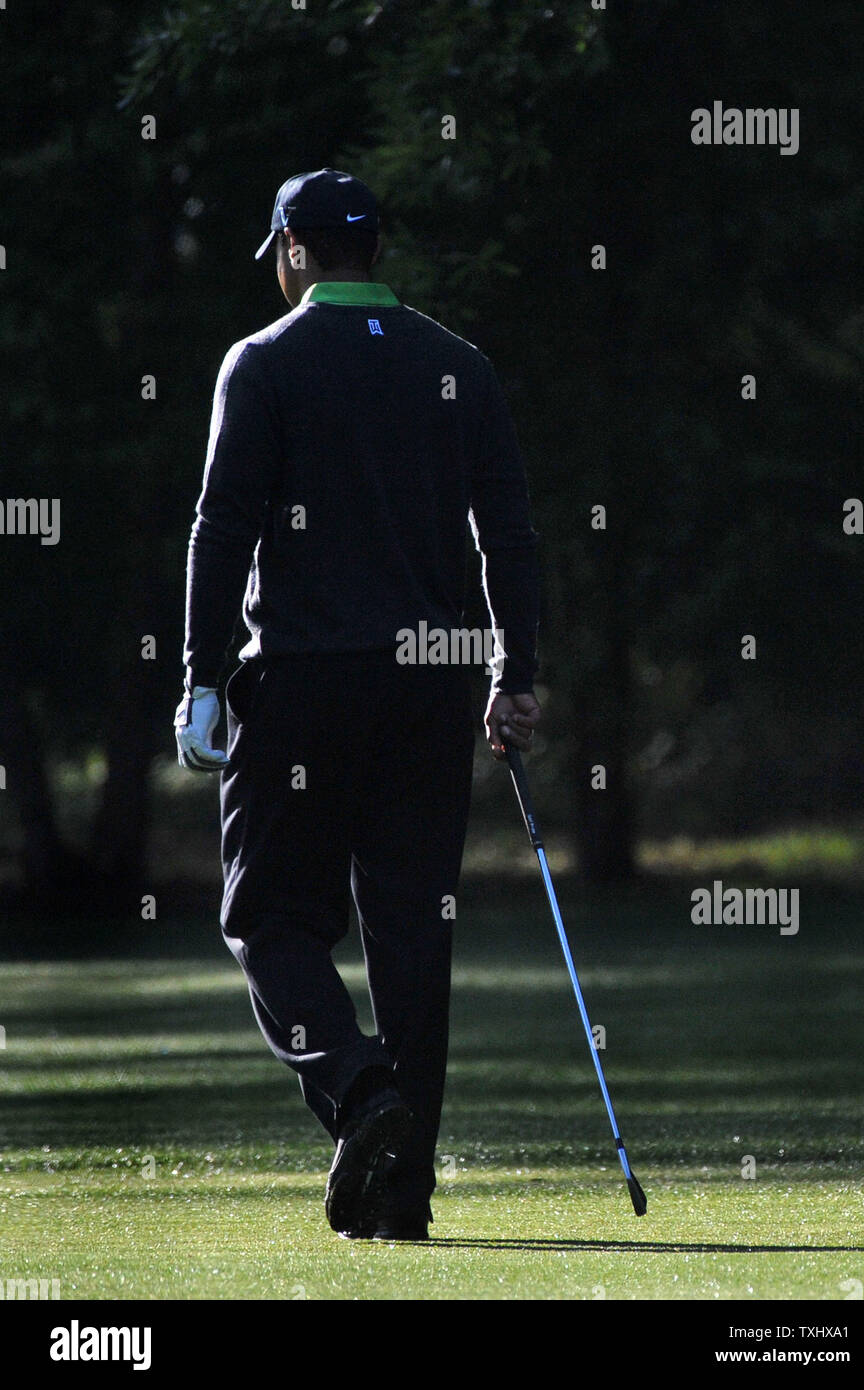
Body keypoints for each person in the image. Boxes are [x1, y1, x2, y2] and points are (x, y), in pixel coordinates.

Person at [174, 168, 541, 1241]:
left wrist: (199, 677)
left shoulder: (264, 362)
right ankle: (400, 1192)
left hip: (302, 681)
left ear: (293, 249)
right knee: (413, 935)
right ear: (373, 248)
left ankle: (356, 1087)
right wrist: (514, 677)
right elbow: (508, 535)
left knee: (270, 916)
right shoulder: (458, 367)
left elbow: (221, 525)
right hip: (429, 689)